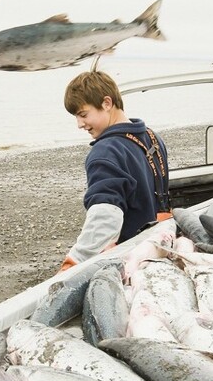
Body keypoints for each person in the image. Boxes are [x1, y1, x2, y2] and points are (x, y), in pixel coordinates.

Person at [60, 71, 171, 271]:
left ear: (107, 103)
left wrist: (73, 264)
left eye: (83, 115)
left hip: (130, 260)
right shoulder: (153, 138)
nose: (79, 124)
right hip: (158, 248)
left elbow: (104, 218)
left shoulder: (106, 152)